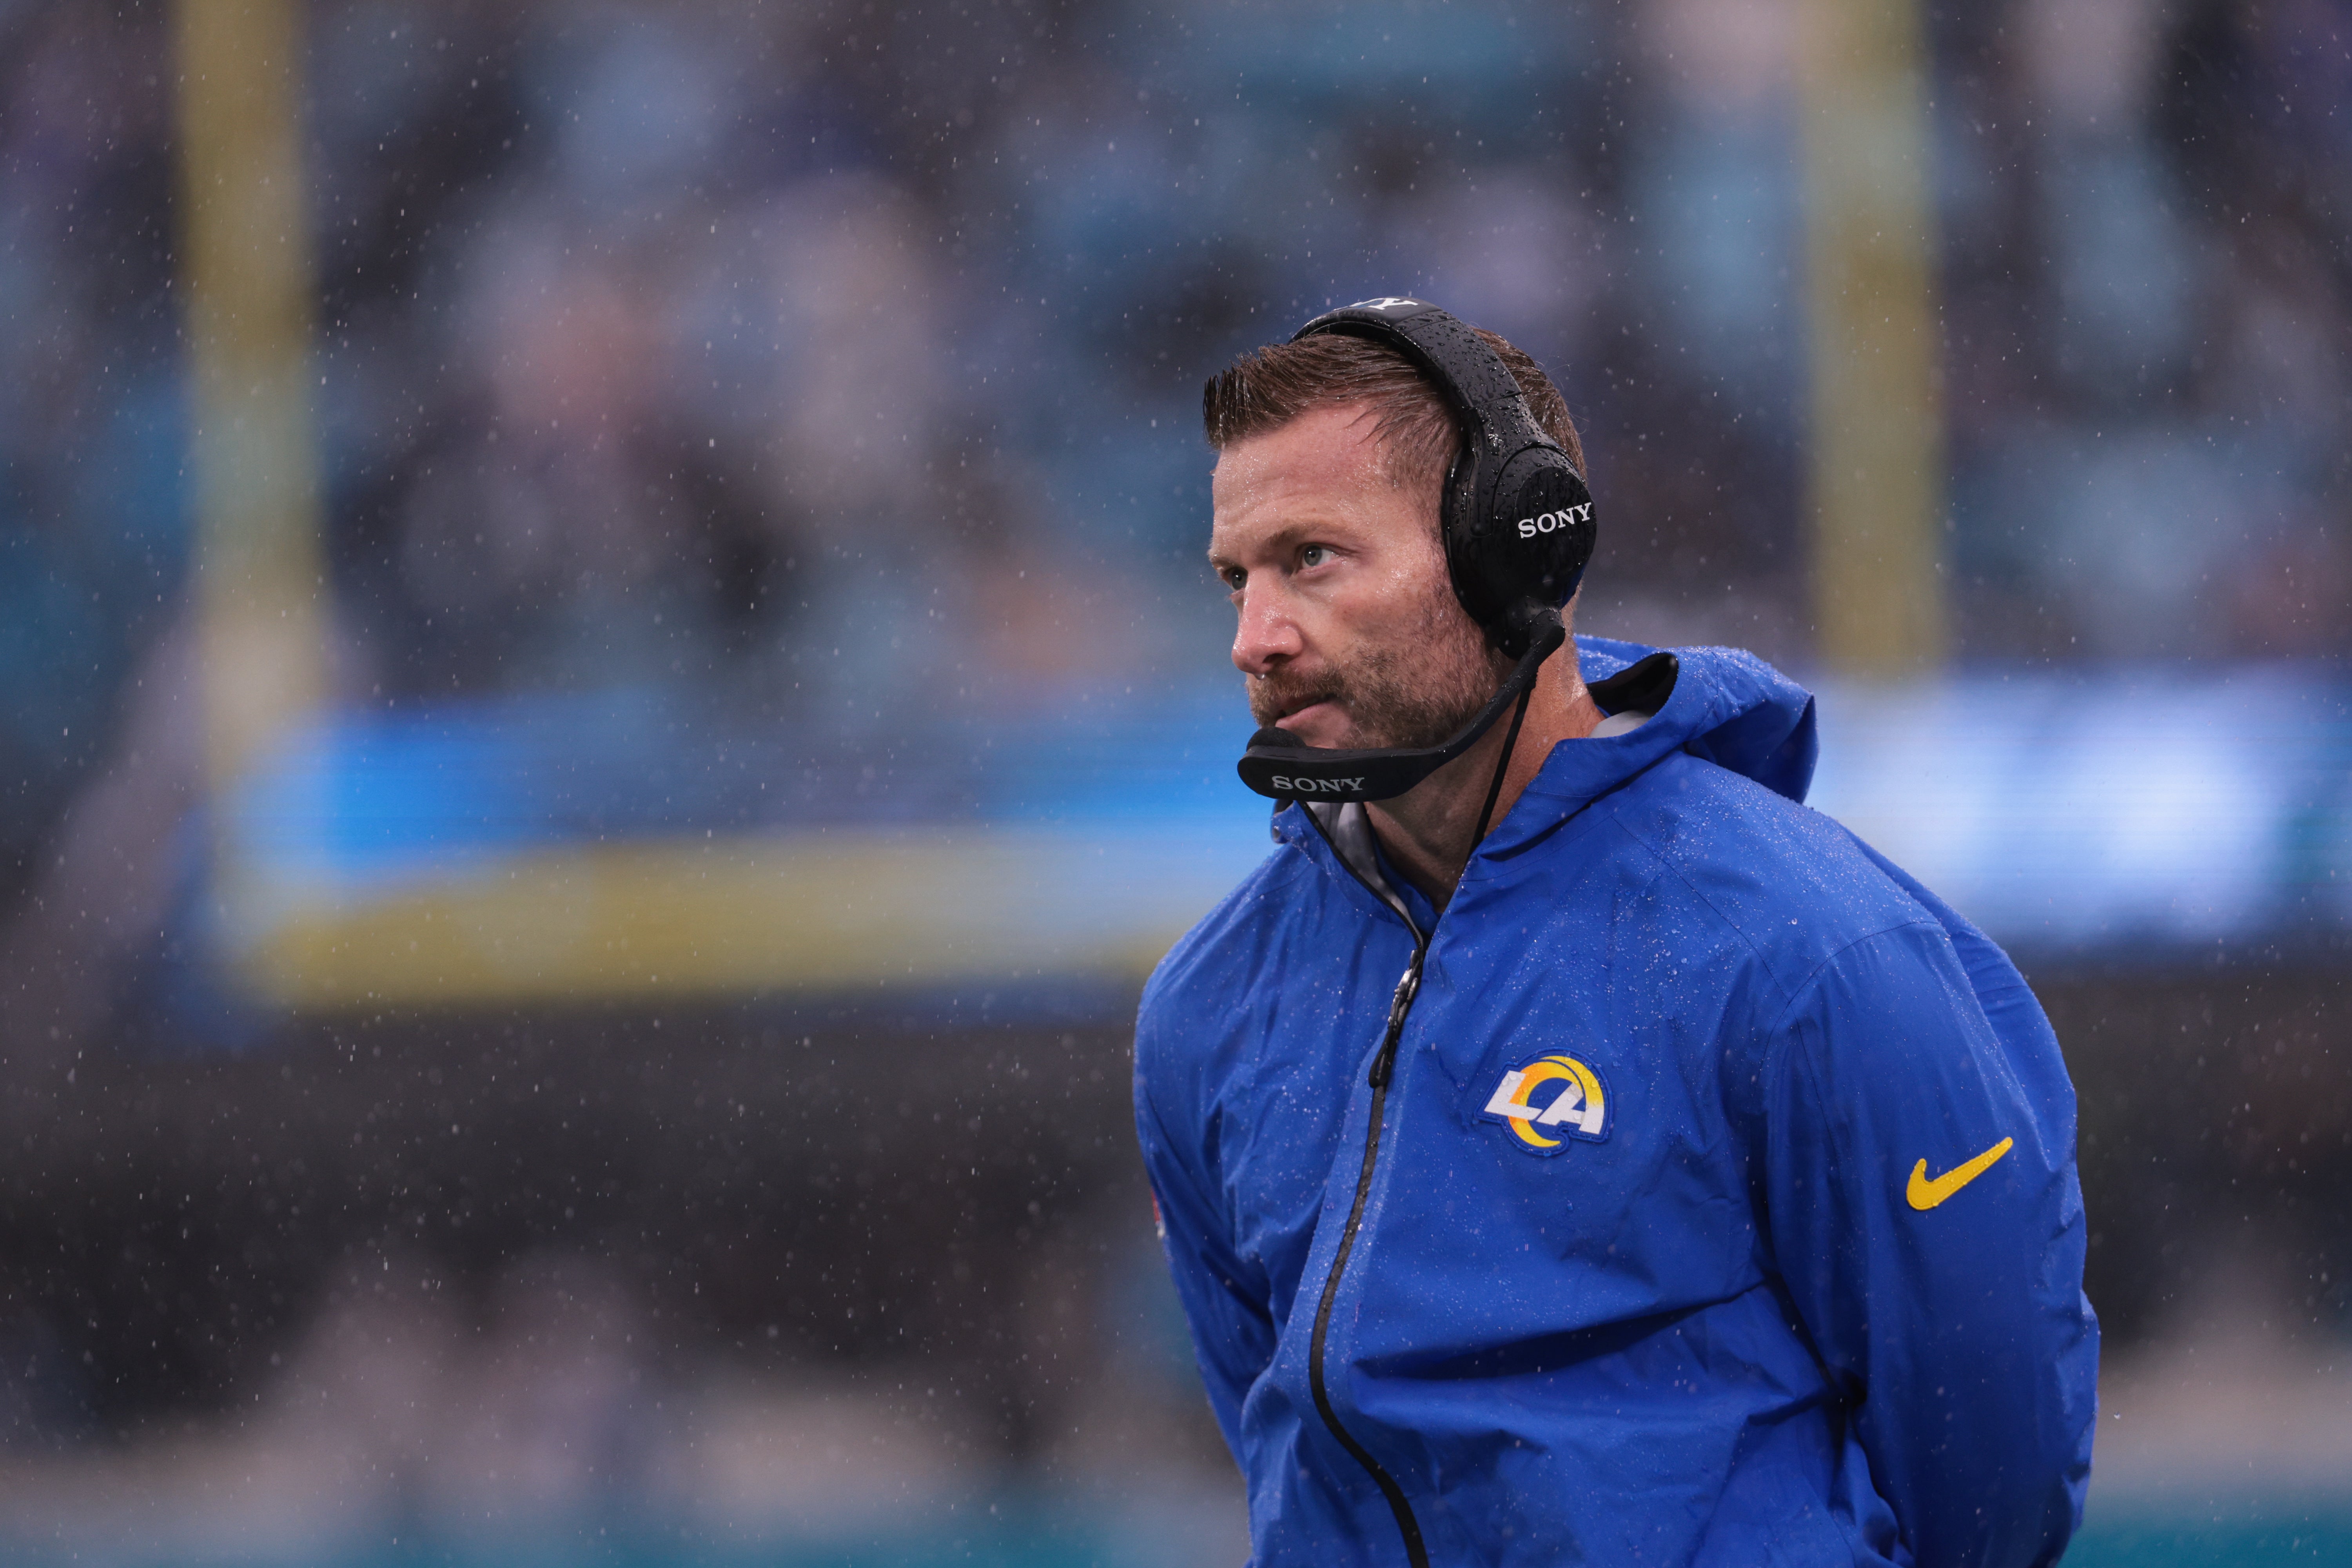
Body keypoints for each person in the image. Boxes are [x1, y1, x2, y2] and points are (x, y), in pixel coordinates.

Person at [1132, 298, 2098, 1568]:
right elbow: (1282, 1449)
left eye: (1312, 557)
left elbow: (1994, 1486)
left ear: (1515, 556)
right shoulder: (1208, 1006)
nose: (1256, 638)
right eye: (1236, 578)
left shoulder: (1820, 957)